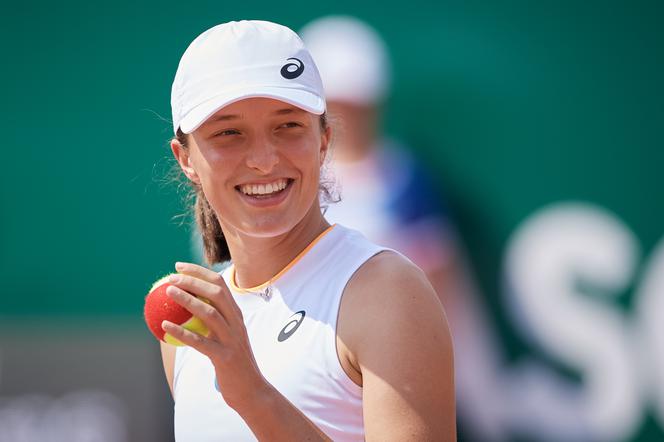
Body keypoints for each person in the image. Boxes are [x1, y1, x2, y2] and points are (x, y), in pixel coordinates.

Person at [158, 20, 456, 441]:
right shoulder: (188, 326)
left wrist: (252, 396)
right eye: (229, 133)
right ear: (185, 158)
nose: (263, 159)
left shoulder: (387, 292)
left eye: (288, 126)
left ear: (323, 140)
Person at [300, 16, 510, 440]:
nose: (349, 118)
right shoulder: (279, 186)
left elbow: (439, 292)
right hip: (306, 383)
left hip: (392, 380)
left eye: (361, 104)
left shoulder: (405, 180)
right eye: (337, 104)